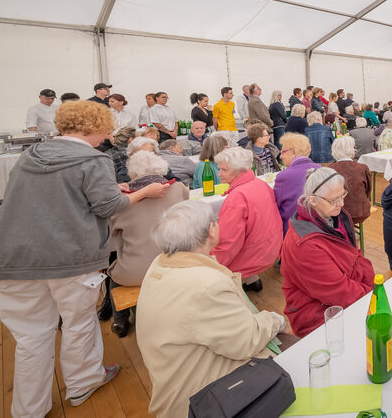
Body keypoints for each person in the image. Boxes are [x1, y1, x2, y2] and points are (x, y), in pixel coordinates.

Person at [0, 100, 169, 415]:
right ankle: (84, 382)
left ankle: (29, 410)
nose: (106, 136)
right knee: (78, 323)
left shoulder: (30, 156)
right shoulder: (93, 159)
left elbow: (57, 194)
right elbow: (108, 207)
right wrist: (140, 193)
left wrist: (111, 188)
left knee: (31, 339)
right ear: (95, 127)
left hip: (11, 259)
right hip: (67, 259)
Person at [137, 201, 288, 418]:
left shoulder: (160, 264)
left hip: (175, 379)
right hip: (205, 401)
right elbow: (246, 341)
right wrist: (275, 320)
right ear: (211, 230)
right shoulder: (205, 284)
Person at [281, 168, 374, 337]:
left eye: (342, 195)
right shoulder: (305, 245)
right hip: (318, 314)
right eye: (334, 200)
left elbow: (354, 255)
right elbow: (339, 292)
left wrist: (372, 286)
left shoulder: (335, 215)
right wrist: (373, 297)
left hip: (345, 294)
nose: (342, 204)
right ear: (313, 201)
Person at [105, 151, 188, 336]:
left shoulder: (122, 203)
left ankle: (120, 320)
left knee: (115, 277)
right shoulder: (179, 188)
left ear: (132, 174)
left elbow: (111, 238)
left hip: (137, 272)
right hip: (176, 263)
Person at [213, 147, 283, 293]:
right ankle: (252, 280)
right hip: (270, 248)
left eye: (224, 170)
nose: (219, 174)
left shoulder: (237, 197)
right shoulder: (260, 184)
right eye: (219, 169)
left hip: (253, 256)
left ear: (239, 170)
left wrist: (212, 265)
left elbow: (228, 242)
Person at [273, 133, 320, 235]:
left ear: (293, 152)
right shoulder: (320, 169)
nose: (280, 156)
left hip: (294, 230)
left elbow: (274, 207)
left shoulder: (284, 176)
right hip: (318, 228)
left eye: (282, 152)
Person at [328, 136, 372, 225]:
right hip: (361, 212)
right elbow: (368, 190)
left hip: (338, 214)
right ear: (352, 150)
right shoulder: (362, 168)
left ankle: (344, 232)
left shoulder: (329, 169)